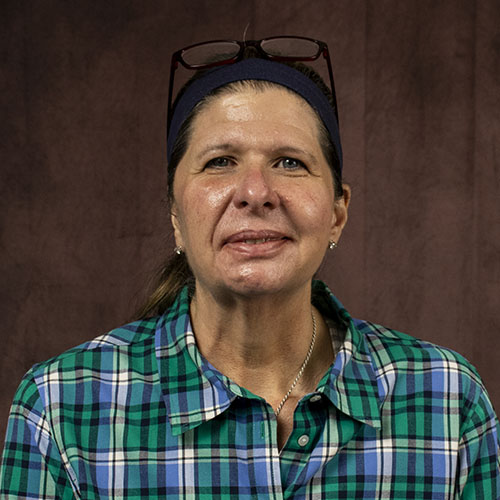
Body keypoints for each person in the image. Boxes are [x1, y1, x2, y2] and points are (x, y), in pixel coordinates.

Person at [0, 36, 499, 499]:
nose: (256, 192)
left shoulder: (447, 402)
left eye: (289, 163)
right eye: (220, 161)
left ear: (337, 213)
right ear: (176, 216)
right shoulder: (61, 409)